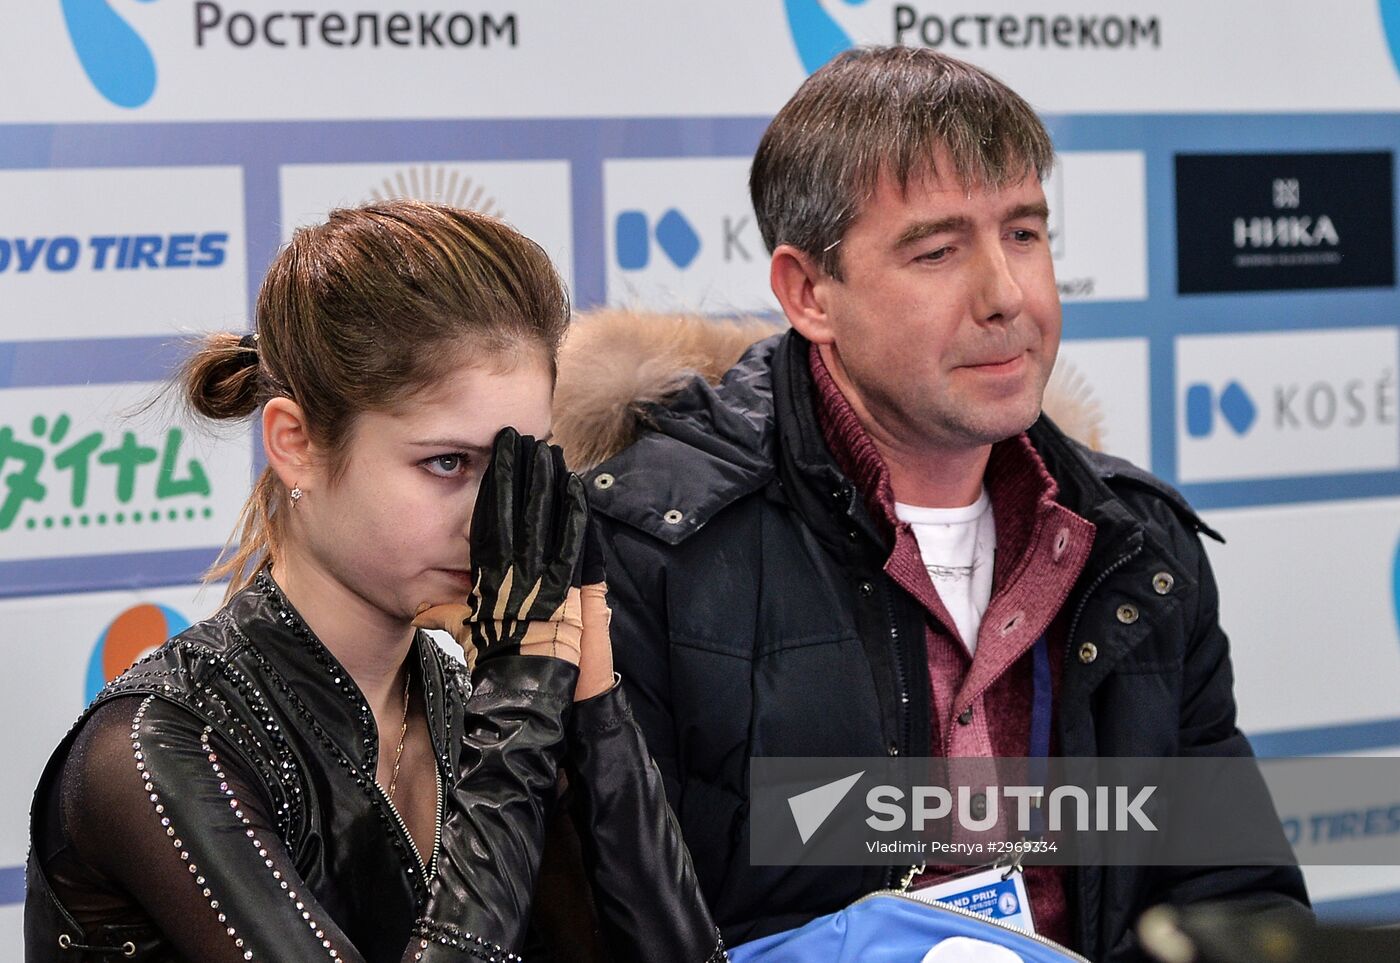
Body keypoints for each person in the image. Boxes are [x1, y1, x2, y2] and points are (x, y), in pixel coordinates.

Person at [563, 47, 1309, 960]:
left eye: (1024, 234)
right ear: (809, 293)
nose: (1007, 295)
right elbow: (613, 932)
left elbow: (1235, 902)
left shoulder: (1135, 545)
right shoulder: (645, 553)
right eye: (938, 250)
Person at [25, 200, 726, 962]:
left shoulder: (467, 709)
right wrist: (520, 702)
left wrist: (590, 691)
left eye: (521, 470)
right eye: (447, 463)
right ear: (295, 443)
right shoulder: (155, 748)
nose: (495, 524)